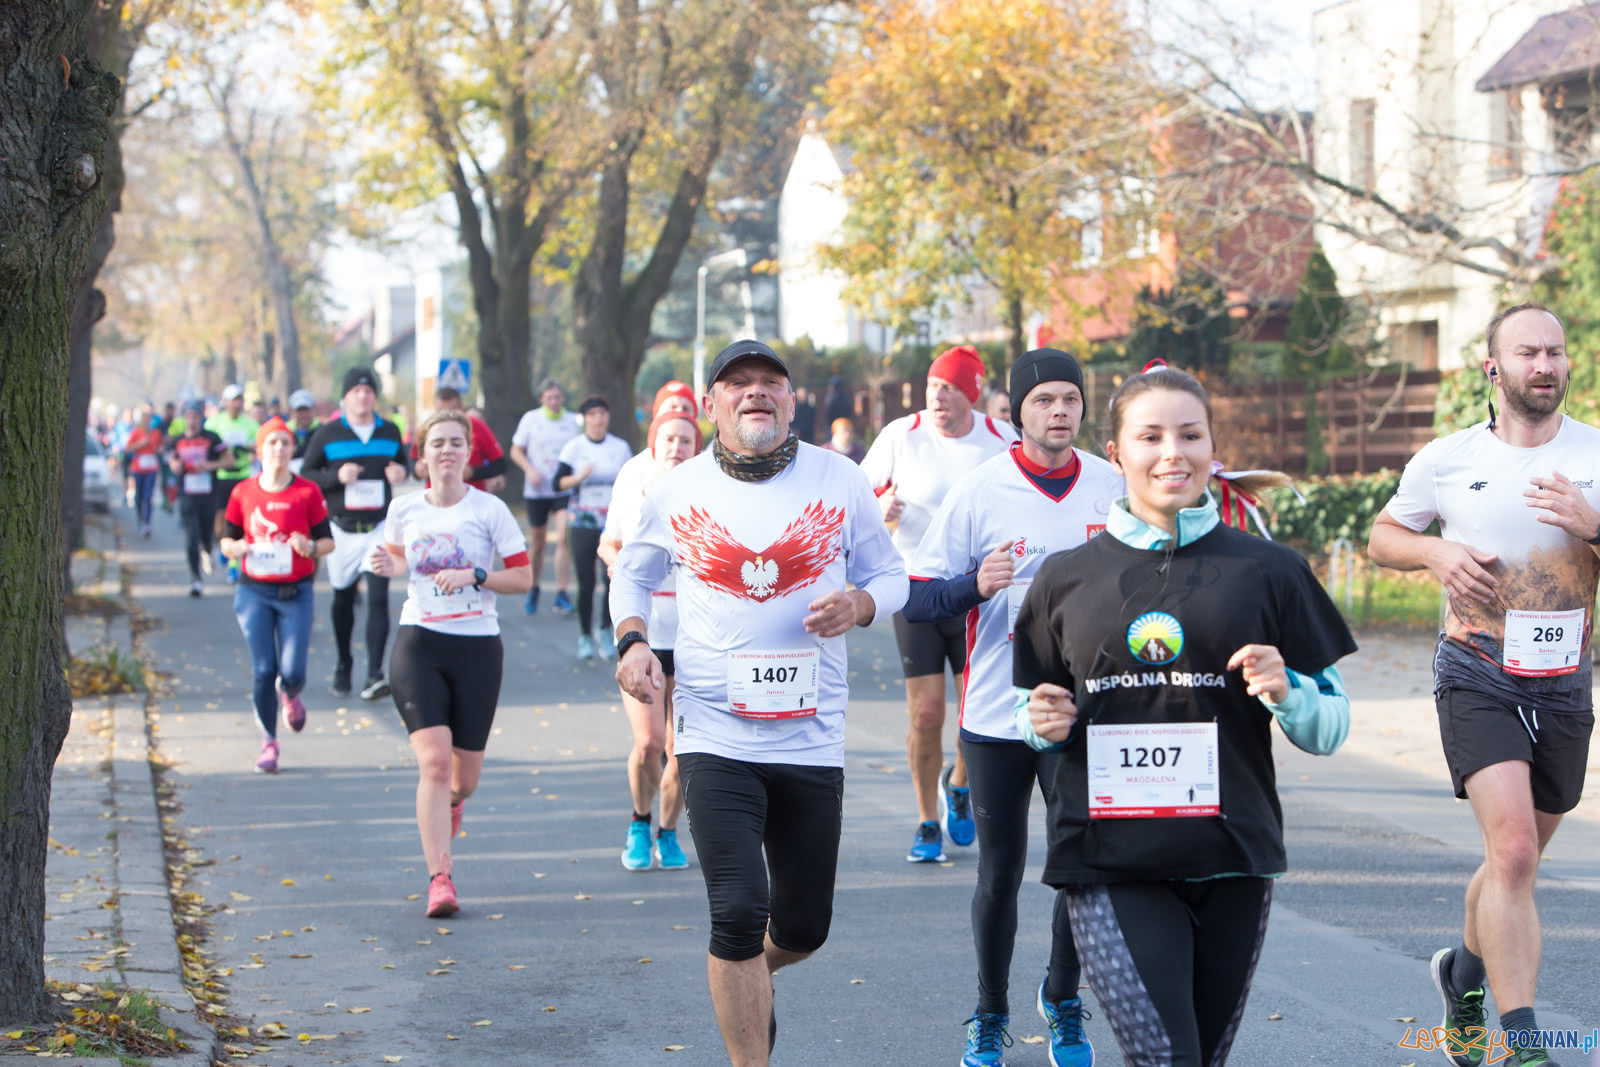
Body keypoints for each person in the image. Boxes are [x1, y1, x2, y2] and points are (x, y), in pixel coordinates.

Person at [1014, 363, 1356, 1067]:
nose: (1173, 452)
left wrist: (1286, 689)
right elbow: (1036, 710)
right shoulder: (1065, 576)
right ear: (1115, 452)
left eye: (1190, 434)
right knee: (1169, 1059)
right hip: (1110, 861)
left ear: (1212, 446)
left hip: (1232, 857)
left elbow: (1331, 726)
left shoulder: (1269, 570)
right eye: (1151, 436)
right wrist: (1037, 724)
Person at [611, 339, 907, 1066]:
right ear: (711, 403)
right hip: (714, 733)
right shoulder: (678, 489)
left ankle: (741, 977)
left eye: (769, 383)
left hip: (810, 737)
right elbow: (633, 573)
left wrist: (861, 603)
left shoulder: (838, 480)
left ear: (791, 399)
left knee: (804, 926)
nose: (755, 394)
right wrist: (633, 642)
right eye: (737, 384)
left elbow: (892, 574)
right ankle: (749, 1039)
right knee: (738, 911)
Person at [1367, 302, 1596, 1067]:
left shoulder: (1596, 454)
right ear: (1493, 368)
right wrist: (1433, 556)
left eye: (1556, 352)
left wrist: (1591, 524)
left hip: (1564, 678)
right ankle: (1523, 1042)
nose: (1546, 365)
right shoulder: (1446, 458)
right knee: (1518, 853)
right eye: (1529, 352)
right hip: (1477, 671)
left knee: (1512, 861)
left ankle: (1460, 977)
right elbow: (1383, 535)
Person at [903, 349, 1120, 1067]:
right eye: (1043, 401)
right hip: (997, 712)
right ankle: (989, 1010)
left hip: (1082, 711)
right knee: (1000, 871)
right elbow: (921, 594)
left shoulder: (1111, 487)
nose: (1059, 411)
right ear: (1016, 411)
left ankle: (1061, 996)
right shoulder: (980, 489)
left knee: (1080, 866)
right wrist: (975, 582)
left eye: (1070, 399)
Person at [367, 409, 531, 918]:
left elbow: (522, 579)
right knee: (433, 763)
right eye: (437, 442)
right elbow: (397, 559)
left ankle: (453, 805)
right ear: (423, 456)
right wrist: (387, 566)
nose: (447, 451)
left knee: (463, 779)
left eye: (456, 442)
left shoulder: (490, 510)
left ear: (469, 453)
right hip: (419, 643)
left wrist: (475, 575)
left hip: (478, 647)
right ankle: (441, 878)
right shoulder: (404, 509)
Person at [860, 344, 1016, 862]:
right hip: (918, 590)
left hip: (979, 592)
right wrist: (881, 507)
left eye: (950, 388)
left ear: (972, 393)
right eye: (932, 386)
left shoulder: (999, 441)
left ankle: (960, 783)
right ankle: (927, 819)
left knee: (978, 708)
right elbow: (856, 503)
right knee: (927, 714)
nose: (938, 397)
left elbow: (1029, 493)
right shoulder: (901, 436)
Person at [598, 407, 700, 872]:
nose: (676, 447)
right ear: (654, 447)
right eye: (669, 440)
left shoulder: (709, 492)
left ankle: (669, 831)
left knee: (682, 752)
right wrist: (618, 566)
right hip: (645, 633)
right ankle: (639, 822)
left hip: (695, 636)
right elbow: (609, 542)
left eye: (686, 440)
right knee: (649, 742)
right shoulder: (636, 489)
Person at [218, 418, 335, 774]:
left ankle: (291, 692)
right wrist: (234, 548)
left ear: (292, 449)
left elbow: (328, 542)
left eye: (284, 443)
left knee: (292, 670)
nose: (279, 450)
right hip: (254, 592)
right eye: (272, 443)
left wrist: (310, 546)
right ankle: (269, 742)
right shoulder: (243, 492)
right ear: (260, 449)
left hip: (295, 592)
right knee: (263, 669)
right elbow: (225, 540)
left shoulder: (307, 492)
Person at [300, 367, 410, 700]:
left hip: (378, 526)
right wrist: (335, 476)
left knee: (378, 598)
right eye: (356, 392)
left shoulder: (389, 431)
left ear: (375, 397)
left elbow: (403, 464)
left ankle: (375, 673)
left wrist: (400, 472)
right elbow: (306, 473)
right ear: (345, 397)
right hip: (341, 528)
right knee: (343, 599)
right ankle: (344, 663)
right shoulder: (327, 433)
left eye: (368, 391)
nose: (363, 397)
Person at [555, 395, 634, 660]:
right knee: (586, 582)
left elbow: (632, 481)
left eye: (602, 414)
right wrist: (579, 477)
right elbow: (558, 483)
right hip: (582, 522)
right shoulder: (573, 448)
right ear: (585, 419)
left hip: (612, 525)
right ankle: (584, 636)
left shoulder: (620, 447)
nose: (598, 419)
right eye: (592, 415)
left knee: (610, 578)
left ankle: (604, 630)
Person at [510, 377, 581, 615]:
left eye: (558, 397)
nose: (554, 401)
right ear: (542, 399)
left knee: (563, 537)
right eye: (549, 398)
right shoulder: (531, 420)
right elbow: (515, 450)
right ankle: (534, 586)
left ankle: (562, 592)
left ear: (563, 399)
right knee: (538, 542)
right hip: (537, 490)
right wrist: (529, 470)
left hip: (562, 488)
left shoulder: (572, 422)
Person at [166, 400, 228, 597]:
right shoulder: (176, 441)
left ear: (201, 418)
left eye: (195, 417)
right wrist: (176, 465)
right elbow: (173, 463)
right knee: (191, 537)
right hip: (187, 495)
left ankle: (208, 549)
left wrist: (208, 466)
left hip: (208, 494)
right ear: (184, 419)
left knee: (207, 531)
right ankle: (195, 579)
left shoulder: (212, 438)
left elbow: (229, 460)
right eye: (188, 417)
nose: (192, 421)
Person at [206, 385, 261, 580]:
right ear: (225, 402)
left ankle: (233, 563)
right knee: (221, 517)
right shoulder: (214, 423)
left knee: (242, 519)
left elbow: (259, 447)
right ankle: (222, 545)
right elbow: (207, 445)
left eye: (239, 400)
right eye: (232, 400)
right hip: (222, 476)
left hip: (243, 475)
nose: (236, 404)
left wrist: (247, 448)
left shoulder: (251, 424)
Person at [413, 386, 507, 493]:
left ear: (461, 408)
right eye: (438, 444)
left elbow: (500, 465)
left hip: (472, 498)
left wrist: (473, 472)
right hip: (435, 498)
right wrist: (417, 470)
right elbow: (413, 461)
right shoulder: (427, 428)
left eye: (457, 444)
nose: (447, 417)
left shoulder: (476, 426)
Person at [123, 406, 164, 538]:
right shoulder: (136, 432)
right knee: (139, 497)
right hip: (139, 468)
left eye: (149, 418)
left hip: (151, 468)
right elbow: (128, 449)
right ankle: (140, 520)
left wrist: (160, 450)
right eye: (145, 418)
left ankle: (147, 523)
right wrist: (141, 443)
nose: (147, 421)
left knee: (148, 496)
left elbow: (160, 447)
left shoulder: (156, 433)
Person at [286, 389, 321, 473]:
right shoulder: (285, 431)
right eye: (299, 410)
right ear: (292, 411)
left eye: (306, 410)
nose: (303, 414)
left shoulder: (322, 431)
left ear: (313, 409)